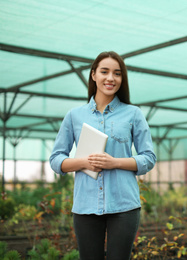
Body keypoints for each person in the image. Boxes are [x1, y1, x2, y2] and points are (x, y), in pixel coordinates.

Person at [50, 51, 156, 260]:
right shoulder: (74, 116)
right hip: (85, 206)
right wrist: (84, 162)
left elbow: (149, 158)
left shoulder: (133, 114)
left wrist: (114, 162)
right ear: (93, 75)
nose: (110, 78)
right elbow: (56, 160)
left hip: (124, 205)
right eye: (104, 72)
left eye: (117, 73)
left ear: (122, 79)